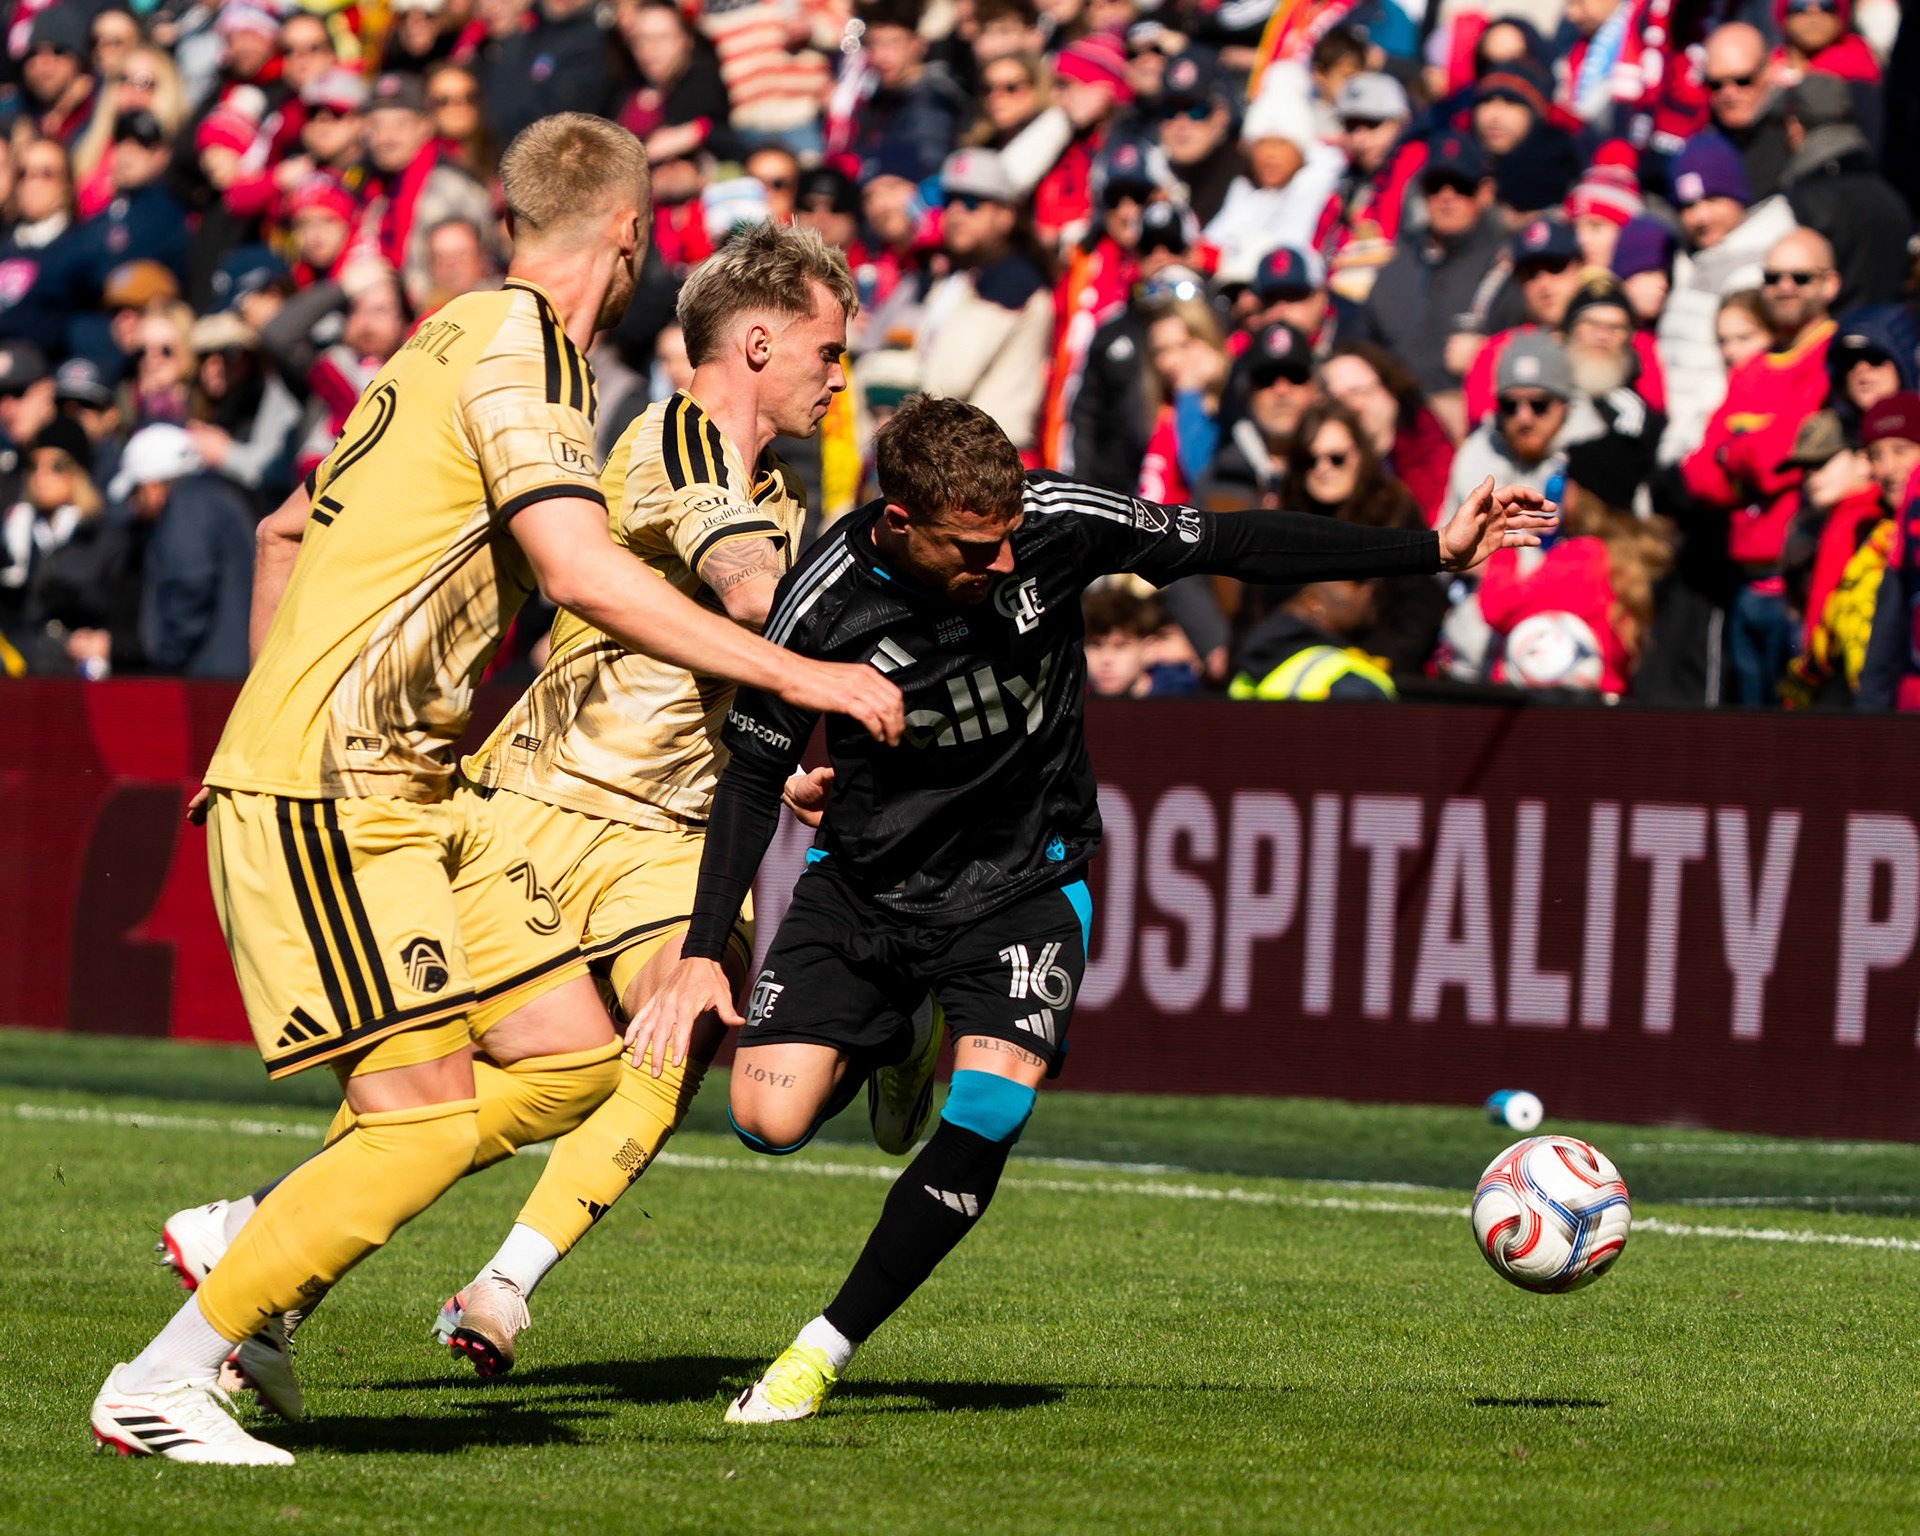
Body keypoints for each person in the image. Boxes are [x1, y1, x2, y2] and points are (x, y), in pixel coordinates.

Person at [88, 113, 902, 1468]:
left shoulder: (438, 341)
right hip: (352, 784)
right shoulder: (533, 356)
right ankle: (169, 1373)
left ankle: (261, 1259)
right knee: (426, 1127)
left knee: (576, 1058)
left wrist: (272, 702)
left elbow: (287, 530)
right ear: (631, 243)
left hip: (391, 785)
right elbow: (582, 574)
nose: (836, 377)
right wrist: (809, 679)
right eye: (830, 352)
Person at [627, 393, 1555, 1424]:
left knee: (995, 1101)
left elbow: (1230, 541)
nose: (1006, 566)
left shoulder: (1054, 523)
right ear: (899, 526)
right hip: (870, 881)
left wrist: (1432, 546)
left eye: (1012, 537)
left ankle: (822, 1348)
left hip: (1027, 875)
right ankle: (900, 1041)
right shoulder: (825, 601)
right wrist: (706, 949)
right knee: (766, 1119)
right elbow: (752, 775)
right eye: (975, 549)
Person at [1681, 227, 1841, 702]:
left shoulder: (1834, 357)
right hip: (1746, 583)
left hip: (1800, 588)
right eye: (1773, 277)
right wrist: (1748, 462)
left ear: (1830, 284)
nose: (1784, 286)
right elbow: (1698, 473)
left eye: (1800, 276)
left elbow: (1776, 455)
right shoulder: (1753, 369)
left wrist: (1736, 455)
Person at [1654, 132, 1797, 463]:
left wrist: (1703, 455)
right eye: (1688, 206)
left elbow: (1747, 378)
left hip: (1717, 452)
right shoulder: (1690, 260)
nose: (1700, 217)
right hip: (1682, 447)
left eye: (1712, 199)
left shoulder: (1759, 268)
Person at [1277, 398, 1444, 675]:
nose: (1323, 468)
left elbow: (1419, 608)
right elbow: (1258, 611)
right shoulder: (1284, 520)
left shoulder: (1394, 509)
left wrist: (1373, 671)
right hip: (1295, 679)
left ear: (1359, 456)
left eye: (1336, 458)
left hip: (1380, 679)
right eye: (1310, 459)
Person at [916, 147, 1054, 453]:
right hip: (959, 456)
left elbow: (946, 379)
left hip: (991, 462)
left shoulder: (1013, 279)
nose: (956, 213)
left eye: (972, 203)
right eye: (949, 200)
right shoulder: (960, 276)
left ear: (1006, 215)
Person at [1363, 134, 1506, 420]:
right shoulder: (1395, 259)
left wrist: (1488, 355)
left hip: (1467, 422)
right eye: (1435, 185)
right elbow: (1365, 337)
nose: (1446, 197)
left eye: (1461, 186)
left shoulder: (1504, 266)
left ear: (1485, 192)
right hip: (1395, 419)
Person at [1785, 394, 1917, 706]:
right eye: (1877, 455)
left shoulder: (1865, 525)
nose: (1888, 468)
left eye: (1902, 451)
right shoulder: (1873, 535)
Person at [109, 422, 256, 677]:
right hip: (232, 670)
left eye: (136, 490)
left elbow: (191, 585)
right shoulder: (220, 493)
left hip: (212, 679)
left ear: (153, 485)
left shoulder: (189, 503)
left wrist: (164, 655)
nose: (134, 504)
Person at [1777, 72, 1911, 313]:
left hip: (1827, 343)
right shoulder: (1890, 195)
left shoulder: (1802, 202)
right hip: (1888, 337)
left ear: (1795, 126)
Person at [1321, 340, 1455, 526]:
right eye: (1338, 399)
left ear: (1390, 390)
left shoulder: (1429, 446)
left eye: (1358, 392)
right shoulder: (1324, 465)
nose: (1352, 406)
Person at [1228, 580, 1396, 700]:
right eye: (1356, 582)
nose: (1368, 590)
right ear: (1313, 602)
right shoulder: (1348, 681)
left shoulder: (1249, 667)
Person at [1704, 22, 1791, 200]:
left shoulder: (1794, 129)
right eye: (1715, 84)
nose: (1728, 93)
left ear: (1767, 70)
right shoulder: (1703, 139)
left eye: (1742, 80)